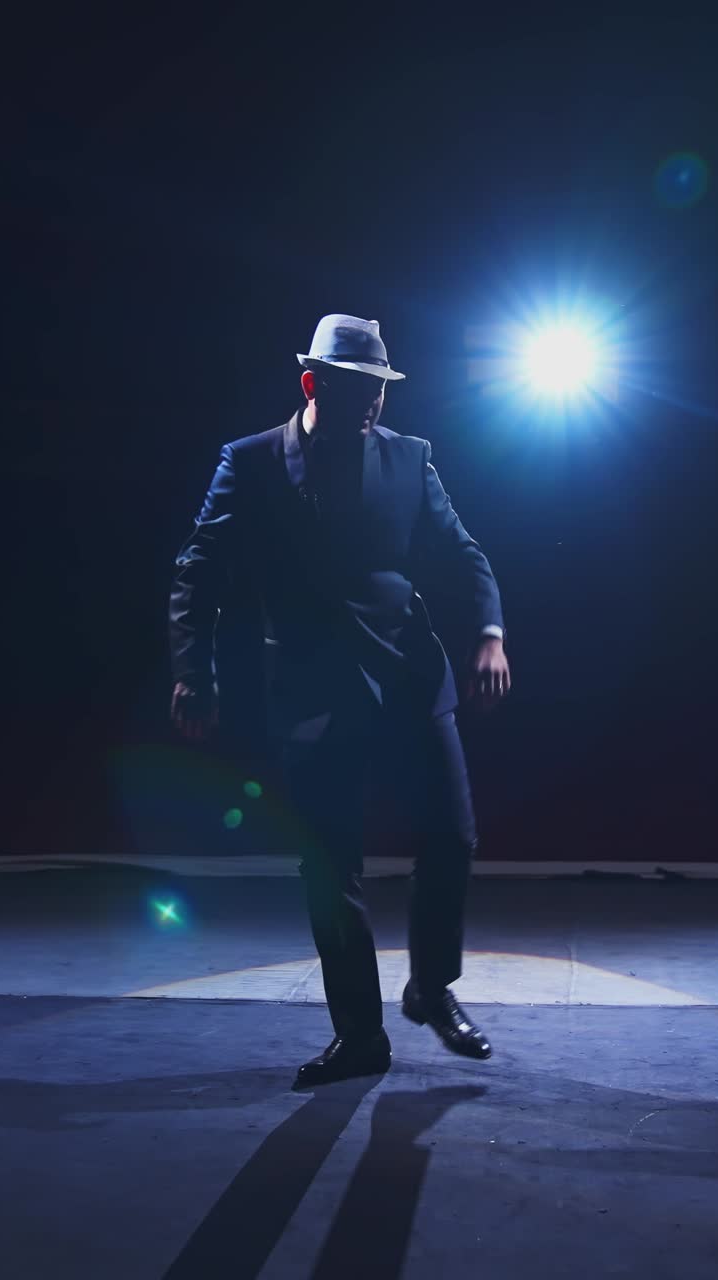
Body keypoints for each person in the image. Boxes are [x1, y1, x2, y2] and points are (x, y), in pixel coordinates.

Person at [169, 314, 510, 1088]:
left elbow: (462, 554)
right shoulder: (252, 464)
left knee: (452, 837)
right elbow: (200, 572)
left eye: (380, 390)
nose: (371, 405)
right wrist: (194, 673)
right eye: (357, 388)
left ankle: (431, 986)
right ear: (313, 383)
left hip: (410, 681)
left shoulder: (411, 459)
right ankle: (360, 1037)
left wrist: (488, 632)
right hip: (314, 692)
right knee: (330, 867)